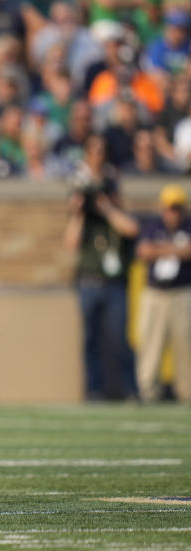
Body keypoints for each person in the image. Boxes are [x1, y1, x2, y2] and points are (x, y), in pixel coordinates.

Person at [63, 133, 140, 401]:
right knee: (90, 341)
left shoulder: (110, 191)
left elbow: (131, 229)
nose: (97, 156)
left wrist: (107, 208)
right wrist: (79, 211)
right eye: (92, 151)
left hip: (115, 281)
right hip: (89, 280)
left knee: (120, 339)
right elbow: (71, 243)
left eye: (101, 151)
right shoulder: (81, 196)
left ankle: (130, 389)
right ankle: (93, 391)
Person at [135, 184, 191, 402]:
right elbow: (144, 250)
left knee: (185, 345)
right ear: (163, 208)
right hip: (156, 293)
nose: (173, 213)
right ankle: (148, 391)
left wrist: (161, 249)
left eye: (177, 208)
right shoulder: (153, 225)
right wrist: (176, 250)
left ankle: (187, 392)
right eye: (169, 208)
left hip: (182, 293)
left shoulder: (188, 226)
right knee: (151, 343)